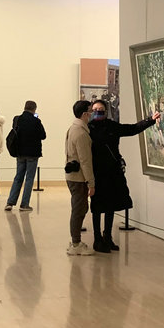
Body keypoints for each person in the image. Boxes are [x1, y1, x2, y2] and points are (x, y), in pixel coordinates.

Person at [89, 99, 160, 252]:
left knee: (110, 205)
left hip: (112, 172)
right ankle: (97, 239)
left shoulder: (112, 126)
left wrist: (150, 120)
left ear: (106, 111)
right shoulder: (88, 129)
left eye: (100, 109)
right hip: (97, 172)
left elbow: (132, 129)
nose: (97, 112)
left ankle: (107, 237)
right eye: (94, 109)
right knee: (97, 206)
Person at [65, 101, 95, 256]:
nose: (92, 114)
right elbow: (85, 161)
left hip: (73, 176)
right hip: (78, 178)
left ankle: (75, 241)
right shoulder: (81, 133)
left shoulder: (73, 128)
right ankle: (76, 243)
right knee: (78, 209)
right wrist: (91, 183)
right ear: (84, 114)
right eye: (91, 111)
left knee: (80, 208)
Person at [4, 100, 46, 212]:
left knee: (18, 177)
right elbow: (43, 135)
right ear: (34, 109)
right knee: (29, 179)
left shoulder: (17, 119)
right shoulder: (36, 121)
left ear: (25, 107)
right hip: (33, 154)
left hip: (20, 153)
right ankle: (24, 204)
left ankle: (10, 202)